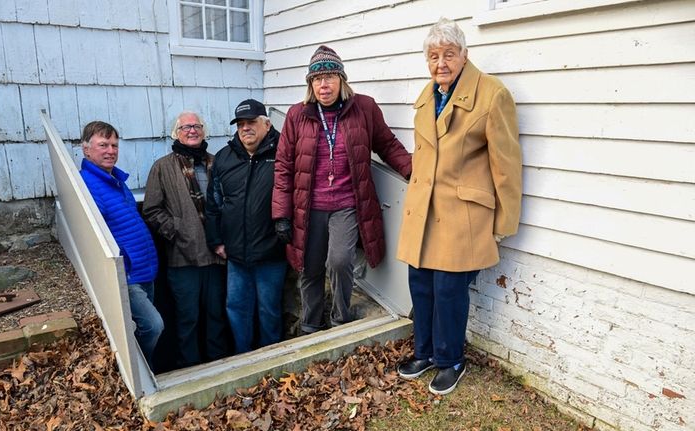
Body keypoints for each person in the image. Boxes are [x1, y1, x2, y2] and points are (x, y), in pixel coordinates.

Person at [395, 18, 523, 395]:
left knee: (449, 289)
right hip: (424, 209)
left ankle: (450, 359)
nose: (441, 63)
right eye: (433, 56)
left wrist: (504, 221)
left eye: (449, 54)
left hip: (461, 212)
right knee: (420, 284)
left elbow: (507, 165)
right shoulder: (427, 95)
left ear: (464, 55)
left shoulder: (492, 94)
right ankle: (425, 352)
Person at [272, 45, 412, 334]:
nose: (324, 85)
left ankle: (339, 319)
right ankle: (310, 324)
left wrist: (413, 170)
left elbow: (387, 144)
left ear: (342, 79)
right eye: (317, 79)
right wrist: (281, 215)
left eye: (331, 77)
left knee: (339, 261)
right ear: (310, 84)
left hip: (348, 203)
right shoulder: (297, 115)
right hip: (309, 207)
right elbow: (283, 166)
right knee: (309, 268)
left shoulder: (364, 108)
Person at [143, 112, 230, 368]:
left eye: (197, 126)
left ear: (204, 131)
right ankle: (188, 368)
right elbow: (151, 210)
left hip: (218, 256)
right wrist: (179, 229)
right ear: (176, 133)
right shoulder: (163, 167)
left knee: (217, 315)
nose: (192, 130)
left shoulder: (217, 163)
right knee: (186, 319)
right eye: (186, 127)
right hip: (183, 258)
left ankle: (218, 364)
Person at [78, 121, 164, 368]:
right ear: (86, 150)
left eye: (114, 145)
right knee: (153, 325)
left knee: (145, 326)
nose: (110, 150)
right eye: (103, 145)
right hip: (127, 273)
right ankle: (137, 372)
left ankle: (145, 371)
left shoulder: (115, 180)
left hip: (144, 268)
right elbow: (96, 235)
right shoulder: (88, 184)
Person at [205, 99, 286, 354]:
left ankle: (270, 360)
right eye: (240, 124)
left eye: (251, 122)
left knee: (269, 310)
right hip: (236, 255)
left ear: (267, 123)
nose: (245, 128)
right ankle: (243, 358)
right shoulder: (224, 158)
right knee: (237, 309)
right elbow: (213, 203)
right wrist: (217, 240)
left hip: (271, 252)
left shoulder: (283, 152)